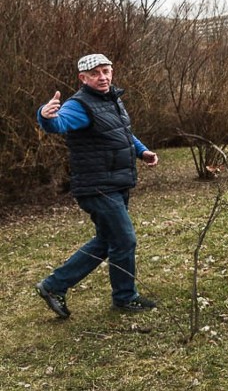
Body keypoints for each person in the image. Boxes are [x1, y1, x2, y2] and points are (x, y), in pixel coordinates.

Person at [34, 54, 159, 319]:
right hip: (97, 187)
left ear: (112, 71)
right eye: (95, 73)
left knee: (108, 241)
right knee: (124, 239)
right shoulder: (80, 105)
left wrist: (142, 151)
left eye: (105, 71)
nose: (102, 77)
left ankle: (54, 286)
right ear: (83, 78)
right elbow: (59, 122)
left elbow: (122, 132)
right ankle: (125, 297)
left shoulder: (111, 99)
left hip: (115, 182)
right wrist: (45, 117)